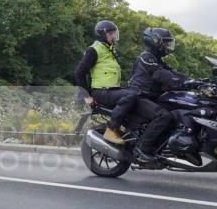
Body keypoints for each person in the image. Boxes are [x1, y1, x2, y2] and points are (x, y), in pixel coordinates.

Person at [129, 28, 198, 164]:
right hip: (139, 96)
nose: (167, 46)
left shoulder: (158, 59)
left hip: (153, 97)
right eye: (165, 43)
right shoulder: (146, 57)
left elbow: (172, 72)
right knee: (163, 116)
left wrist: (195, 81)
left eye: (168, 43)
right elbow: (161, 74)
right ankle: (141, 150)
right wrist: (181, 82)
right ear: (155, 42)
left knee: (174, 114)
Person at [74, 20, 139, 144]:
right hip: (100, 92)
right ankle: (111, 129)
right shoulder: (94, 50)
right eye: (111, 34)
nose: (114, 36)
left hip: (112, 91)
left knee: (138, 94)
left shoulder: (110, 50)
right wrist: (87, 96)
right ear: (102, 34)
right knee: (131, 95)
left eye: (114, 33)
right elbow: (79, 73)